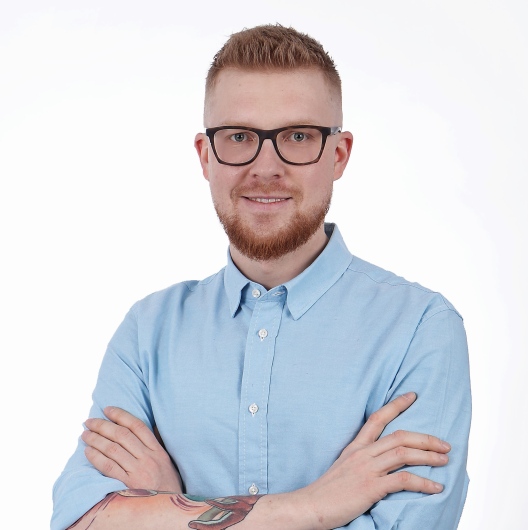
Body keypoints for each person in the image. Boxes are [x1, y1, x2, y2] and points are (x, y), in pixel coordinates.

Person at [52, 24, 471, 530]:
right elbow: (81, 519)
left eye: (297, 136)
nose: (266, 167)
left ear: (338, 154)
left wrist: (170, 506)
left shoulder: (421, 328)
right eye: (239, 137)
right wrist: (315, 507)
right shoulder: (147, 331)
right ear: (205, 156)